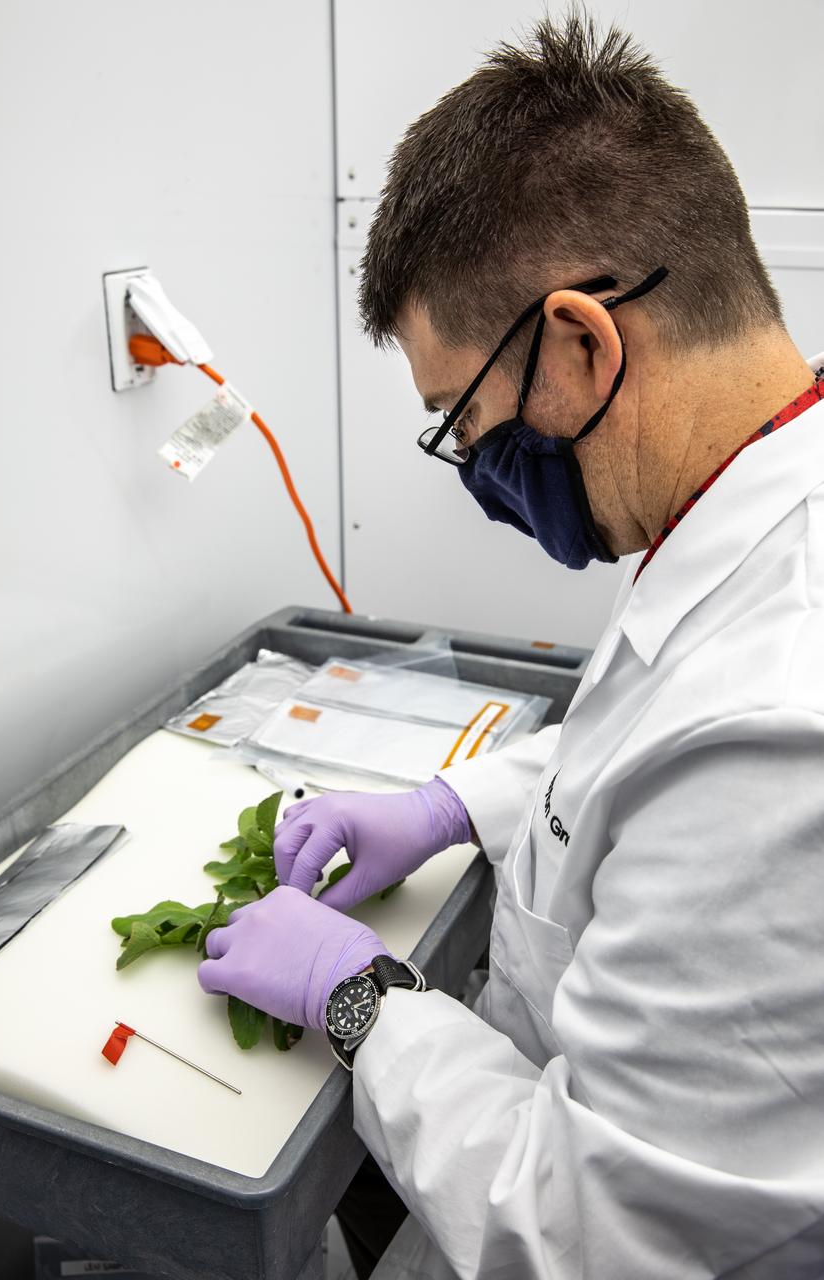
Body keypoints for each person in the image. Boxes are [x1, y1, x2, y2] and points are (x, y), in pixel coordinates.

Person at [197, 14, 824, 1278]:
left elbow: (592, 1230)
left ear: (585, 344)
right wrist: (449, 803)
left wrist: (357, 997)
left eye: (465, 421)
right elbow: (628, 760)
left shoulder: (777, 734)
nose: (475, 469)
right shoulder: (747, 505)